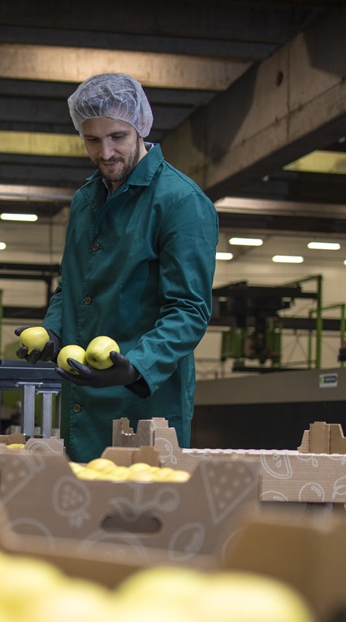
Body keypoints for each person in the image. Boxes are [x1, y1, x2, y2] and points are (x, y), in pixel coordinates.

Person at [17, 72, 217, 463]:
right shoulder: (84, 200)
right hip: (81, 401)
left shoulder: (180, 202)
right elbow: (70, 287)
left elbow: (189, 311)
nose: (105, 152)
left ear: (141, 127)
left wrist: (135, 367)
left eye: (117, 138)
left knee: (139, 517)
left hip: (145, 406)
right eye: (92, 139)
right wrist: (53, 331)